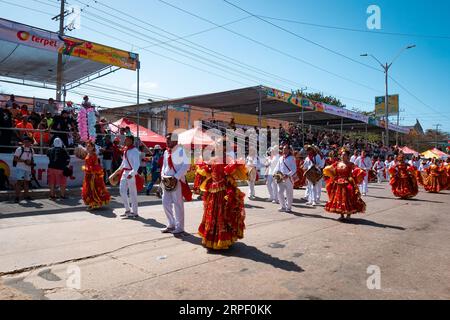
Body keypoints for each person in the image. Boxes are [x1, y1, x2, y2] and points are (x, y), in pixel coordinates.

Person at [196, 145, 247, 250]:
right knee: (211, 214)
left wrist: (231, 168)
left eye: (220, 146)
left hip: (223, 192)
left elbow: (231, 173)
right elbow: (208, 172)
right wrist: (204, 166)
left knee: (223, 214)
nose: (217, 148)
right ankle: (211, 239)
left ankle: (223, 240)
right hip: (213, 192)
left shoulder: (228, 159)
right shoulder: (212, 159)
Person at [323, 148, 366, 221]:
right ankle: (342, 214)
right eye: (342, 155)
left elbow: (356, 169)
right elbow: (330, 169)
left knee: (348, 199)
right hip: (337, 183)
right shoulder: (337, 163)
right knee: (338, 199)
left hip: (347, 183)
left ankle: (348, 215)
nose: (342, 156)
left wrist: (360, 171)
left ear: (348, 156)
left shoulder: (350, 164)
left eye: (344, 155)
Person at [161, 133, 191, 234]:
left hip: (177, 181)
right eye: (166, 140)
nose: (167, 141)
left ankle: (180, 227)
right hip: (166, 180)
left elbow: (186, 165)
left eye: (169, 140)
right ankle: (171, 224)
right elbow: (164, 165)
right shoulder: (166, 152)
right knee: (165, 203)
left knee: (178, 204)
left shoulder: (183, 151)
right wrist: (162, 176)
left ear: (175, 141)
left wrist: (176, 177)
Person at [81, 141, 111, 210]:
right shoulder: (88, 154)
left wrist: (90, 171)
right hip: (88, 174)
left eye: (89, 146)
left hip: (93, 175)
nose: (87, 147)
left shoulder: (94, 155)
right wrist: (86, 168)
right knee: (88, 189)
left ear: (93, 147)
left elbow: (96, 166)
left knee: (93, 189)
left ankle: (94, 203)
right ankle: (92, 203)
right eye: (87, 146)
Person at [118, 135, 140, 218]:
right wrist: (118, 170)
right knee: (122, 190)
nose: (125, 141)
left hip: (131, 173)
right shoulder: (125, 150)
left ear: (131, 141)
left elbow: (137, 164)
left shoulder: (134, 151)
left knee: (132, 193)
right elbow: (123, 162)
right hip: (124, 172)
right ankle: (127, 210)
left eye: (127, 140)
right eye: (125, 140)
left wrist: (132, 173)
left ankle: (135, 212)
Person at [275, 144, 297, 213]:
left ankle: (289, 207)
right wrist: (275, 174)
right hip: (281, 178)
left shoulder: (291, 158)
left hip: (288, 178)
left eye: (285, 149)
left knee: (289, 193)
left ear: (288, 150)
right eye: (283, 149)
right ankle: (283, 206)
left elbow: (294, 169)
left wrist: (288, 175)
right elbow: (277, 167)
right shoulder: (281, 158)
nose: (284, 150)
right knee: (279, 192)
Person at [13, 136, 35, 203]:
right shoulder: (19, 149)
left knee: (27, 182)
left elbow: (31, 160)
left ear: (30, 142)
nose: (25, 143)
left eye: (27, 142)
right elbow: (15, 159)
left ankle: (26, 196)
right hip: (20, 168)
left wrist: (31, 163)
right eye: (24, 142)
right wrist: (24, 161)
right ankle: (17, 197)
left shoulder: (32, 150)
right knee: (19, 182)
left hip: (28, 169)